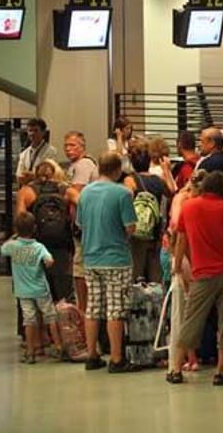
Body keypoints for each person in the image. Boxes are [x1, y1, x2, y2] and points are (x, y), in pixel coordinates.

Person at [168, 171, 223, 386]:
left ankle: (176, 369)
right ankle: (220, 371)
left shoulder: (189, 207)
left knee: (192, 320)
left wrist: (176, 266)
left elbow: (181, 242)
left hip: (202, 274)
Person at [76, 151, 140, 373]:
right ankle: (116, 358)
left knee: (93, 307)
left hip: (91, 258)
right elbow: (130, 227)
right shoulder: (122, 194)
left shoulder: (84, 193)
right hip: (116, 259)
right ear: (118, 170)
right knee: (116, 309)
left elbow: (81, 224)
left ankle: (92, 354)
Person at [3, 211, 66, 364]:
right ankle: (58, 347)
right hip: (40, 289)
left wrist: (14, 236)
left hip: (23, 291)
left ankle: (30, 352)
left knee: (29, 320)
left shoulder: (12, 246)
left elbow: (3, 249)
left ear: (16, 229)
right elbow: (49, 261)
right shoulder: (38, 247)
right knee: (50, 316)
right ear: (35, 228)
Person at [15, 160, 73, 302]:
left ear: (35, 173)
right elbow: (83, 203)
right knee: (62, 296)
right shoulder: (66, 190)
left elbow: (21, 220)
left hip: (35, 247)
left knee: (34, 297)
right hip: (61, 247)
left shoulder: (26, 192)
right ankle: (61, 322)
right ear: (54, 173)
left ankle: (35, 324)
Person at [166, 170, 205, 376]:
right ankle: (194, 356)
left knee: (184, 310)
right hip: (201, 258)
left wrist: (177, 261)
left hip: (184, 257)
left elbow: (177, 231)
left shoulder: (182, 200)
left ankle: (187, 359)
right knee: (194, 309)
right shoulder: (205, 203)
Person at [123, 140, 169, 283]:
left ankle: (137, 303)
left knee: (135, 273)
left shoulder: (130, 180)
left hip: (136, 231)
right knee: (155, 275)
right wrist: (166, 169)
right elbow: (171, 191)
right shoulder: (158, 180)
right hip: (154, 231)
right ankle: (155, 303)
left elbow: (126, 201)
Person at [63, 131, 98, 313]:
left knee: (80, 271)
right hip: (80, 226)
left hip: (83, 228)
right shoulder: (74, 166)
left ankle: (84, 312)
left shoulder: (83, 165)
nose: (68, 149)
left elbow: (76, 193)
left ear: (82, 147)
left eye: (72, 145)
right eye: (66, 145)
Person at [16, 118, 58, 187]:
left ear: (43, 132)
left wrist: (33, 176)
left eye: (36, 130)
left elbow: (50, 177)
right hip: (26, 191)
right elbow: (19, 176)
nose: (32, 133)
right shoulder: (24, 153)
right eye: (30, 131)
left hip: (43, 192)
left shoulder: (51, 152)